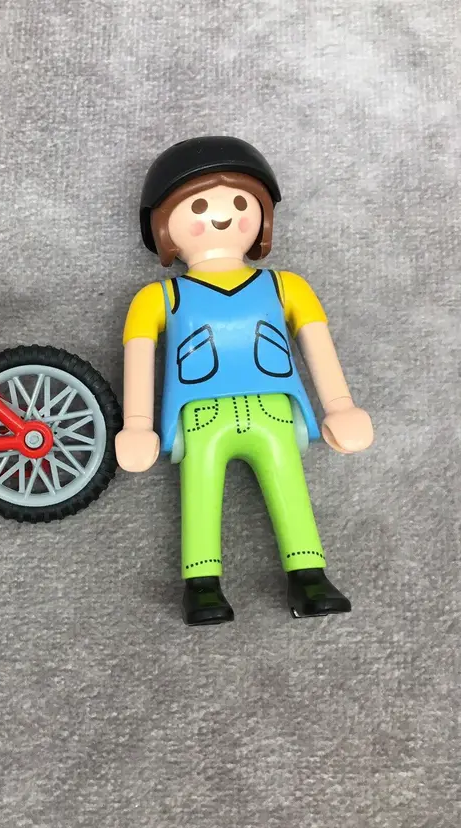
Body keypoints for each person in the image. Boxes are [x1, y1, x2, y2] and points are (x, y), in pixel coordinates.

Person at [117, 136, 374, 625]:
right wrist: (137, 424)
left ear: (262, 217)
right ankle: (201, 585)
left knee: (288, 485)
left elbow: (317, 343)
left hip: (273, 409)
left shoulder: (286, 286)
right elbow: (139, 355)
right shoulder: (158, 298)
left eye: (240, 203)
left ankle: (309, 575)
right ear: (164, 226)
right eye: (198, 206)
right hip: (200, 414)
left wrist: (340, 405)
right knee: (200, 490)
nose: (222, 217)